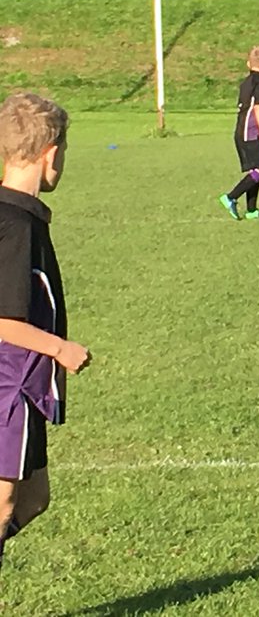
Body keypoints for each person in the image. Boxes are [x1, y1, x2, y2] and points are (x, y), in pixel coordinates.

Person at [0, 93, 92, 573]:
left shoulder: (21, 215)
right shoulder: (15, 226)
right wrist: (61, 348)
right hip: (7, 384)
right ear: (51, 153)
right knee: (3, 503)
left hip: (26, 388)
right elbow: (3, 319)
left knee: (34, 498)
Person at [218, 45, 259, 220]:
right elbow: (258, 107)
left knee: (255, 170)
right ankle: (231, 197)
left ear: (248, 64)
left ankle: (251, 210)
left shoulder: (246, 83)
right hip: (253, 133)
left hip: (240, 133)